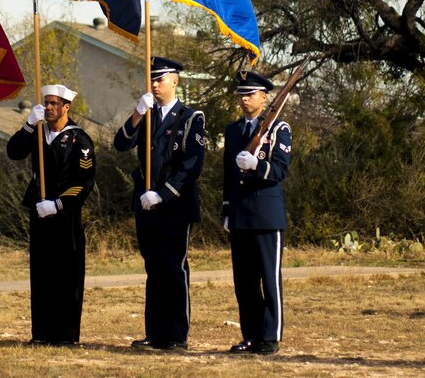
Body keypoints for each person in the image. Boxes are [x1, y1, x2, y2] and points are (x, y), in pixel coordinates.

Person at [113, 56, 206, 351]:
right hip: (146, 204)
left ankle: (176, 334)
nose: (154, 84)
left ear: (174, 80)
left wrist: (163, 194)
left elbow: (191, 166)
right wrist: (137, 114)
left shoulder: (191, 118)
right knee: (154, 269)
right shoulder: (147, 115)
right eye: (151, 79)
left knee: (174, 268)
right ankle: (155, 332)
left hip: (174, 205)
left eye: (160, 79)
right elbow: (121, 144)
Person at [6, 84, 95, 346]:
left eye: (54, 103)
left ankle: (65, 335)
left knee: (66, 276)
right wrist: (28, 124)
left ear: (66, 107)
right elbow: (14, 151)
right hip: (39, 211)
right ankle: (42, 333)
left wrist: (58, 203)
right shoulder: (38, 132)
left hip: (64, 214)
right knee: (42, 274)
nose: (48, 107)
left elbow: (85, 181)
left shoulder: (79, 139)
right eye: (46, 102)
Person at [222, 70, 292, 356]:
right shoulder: (234, 130)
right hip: (240, 213)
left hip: (266, 214)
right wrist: (227, 209)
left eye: (250, 94)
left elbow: (280, 170)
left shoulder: (278, 129)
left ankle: (270, 337)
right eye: (241, 94)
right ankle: (250, 335)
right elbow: (228, 174)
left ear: (264, 97)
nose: (244, 99)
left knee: (269, 278)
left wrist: (256, 166)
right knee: (245, 281)